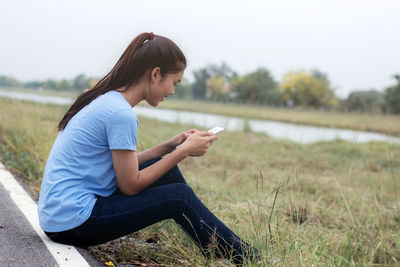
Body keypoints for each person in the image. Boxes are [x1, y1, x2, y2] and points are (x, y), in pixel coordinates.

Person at [38, 32, 260, 265]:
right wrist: (182, 152)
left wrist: (169, 146)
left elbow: (122, 167)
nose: (172, 91)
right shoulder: (121, 115)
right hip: (74, 222)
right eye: (174, 82)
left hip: (59, 216)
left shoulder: (108, 100)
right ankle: (246, 258)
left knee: (165, 170)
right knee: (180, 198)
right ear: (155, 74)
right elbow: (130, 185)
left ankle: (213, 243)